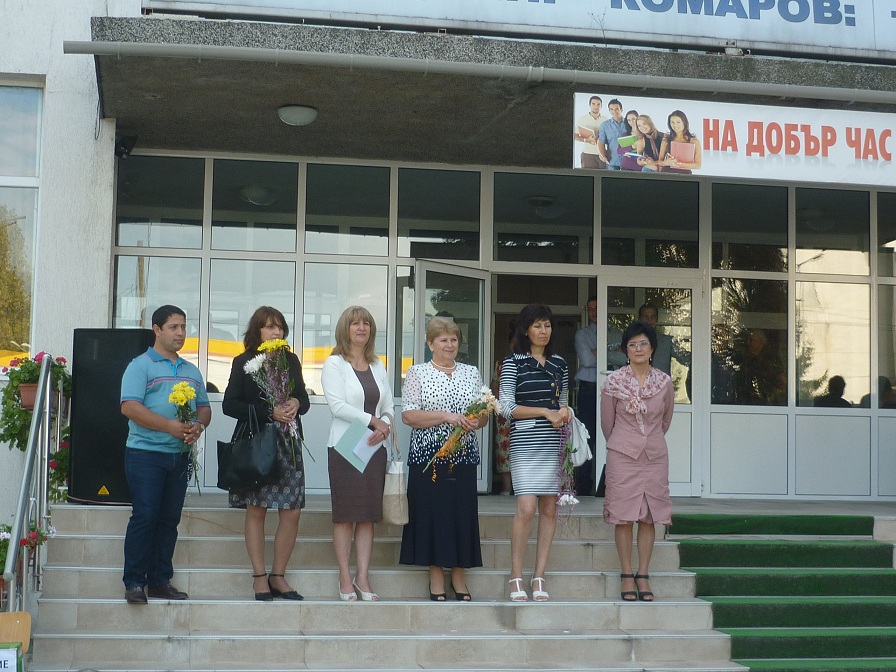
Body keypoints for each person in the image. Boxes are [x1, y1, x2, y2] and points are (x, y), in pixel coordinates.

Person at [120, 304, 211, 605]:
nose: (181, 333)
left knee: (169, 520)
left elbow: (204, 408)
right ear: (157, 330)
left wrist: (198, 426)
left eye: (183, 327)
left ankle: (160, 580)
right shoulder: (140, 366)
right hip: (145, 454)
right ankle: (135, 582)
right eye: (174, 327)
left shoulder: (191, 370)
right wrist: (169, 426)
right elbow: (129, 407)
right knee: (145, 516)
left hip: (179, 456)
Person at [222, 306, 310, 601]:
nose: (276, 332)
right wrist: (268, 412)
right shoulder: (244, 361)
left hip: (289, 443)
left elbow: (305, 397)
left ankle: (278, 576)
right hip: (258, 442)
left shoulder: (290, 360)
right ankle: (259, 577)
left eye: (280, 327)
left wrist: (296, 402)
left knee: (292, 510)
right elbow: (229, 404)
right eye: (270, 327)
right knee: (257, 509)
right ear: (257, 331)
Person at [400, 317, 488, 601]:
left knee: (461, 514)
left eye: (453, 340)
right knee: (432, 515)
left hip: (463, 455)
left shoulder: (471, 372)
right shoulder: (417, 372)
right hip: (428, 456)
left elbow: (483, 415)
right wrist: (446, 417)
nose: (449, 345)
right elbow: (409, 415)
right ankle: (436, 574)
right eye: (443, 340)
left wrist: (477, 421)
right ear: (430, 344)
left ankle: (459, 575)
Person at [321, 306, 395, 601]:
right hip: (345, 446)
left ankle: (362, 577)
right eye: (355, 323)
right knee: (345, 516)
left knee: (367, 516)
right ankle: (344, 576)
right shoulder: (334, 364)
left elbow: (388, 406)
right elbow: (337, 406)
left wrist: (385, 424)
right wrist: (373, 420)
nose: (361, 328)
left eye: (366, 323)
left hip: (373, 447)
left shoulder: (378, 365)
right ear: (345, 329)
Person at [499, 304, 570, 602]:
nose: (543, 331)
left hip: (553, 442)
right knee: (527, 508)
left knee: (550, 509)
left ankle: (539, 575)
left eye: (547, 325)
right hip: (525, 442)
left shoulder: (560, 364)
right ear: (526, 330)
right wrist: (544, 411)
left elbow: (564, 403)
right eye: (537, 325)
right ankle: (516, 575)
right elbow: (505, 406)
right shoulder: (513, 363)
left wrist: (563, 412)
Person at [600, 321, 674, 602]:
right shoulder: (613, 382)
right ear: (625, 350)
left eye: (643, 343)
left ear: (652, 348)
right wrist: (625, 443)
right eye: (633, 344)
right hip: (622, 456)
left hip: (654, 457)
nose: (639, 349)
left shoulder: (664, 382)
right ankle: (627, 574)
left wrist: (648, 440)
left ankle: (643, 574)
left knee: (648, 516)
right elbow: (607, 424)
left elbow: (666, 420)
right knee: (623, 516)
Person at [491, 320, 516, 495]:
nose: (515, 346)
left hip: (525, 413)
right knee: (504, 449)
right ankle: (507, 487)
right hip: (504, 415)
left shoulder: (530, 363)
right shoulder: (502, 364)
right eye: (513, 342)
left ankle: (523, 487)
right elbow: (494, 386)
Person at [637, 304, 674, 376]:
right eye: (645, 317)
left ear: (657, 319)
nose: (649, 320)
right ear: (640, 319)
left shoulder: (668, 341)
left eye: (653, 317)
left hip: (661, 382)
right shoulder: (631, 342)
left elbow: (688, 359)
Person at [574, 95, 608, 169]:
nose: (596, 106)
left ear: (601, 106)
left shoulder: (606, 120)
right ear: (589, 105)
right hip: (587, 154)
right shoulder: (582, 119)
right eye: (593, 104)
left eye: (598, 104)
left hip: (602, 154)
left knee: (603, 175)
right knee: (588, 175)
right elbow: (575, 136)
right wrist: (587, 140)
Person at [597, 99, 627, 171]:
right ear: (609, 111)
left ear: (621, 110)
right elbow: (601, 142)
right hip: (612, 161)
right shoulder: (604, 125)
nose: (614, 111)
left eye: (617, 109)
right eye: (611, 109)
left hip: (627, 161)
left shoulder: (629, 123)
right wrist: (602, 155)